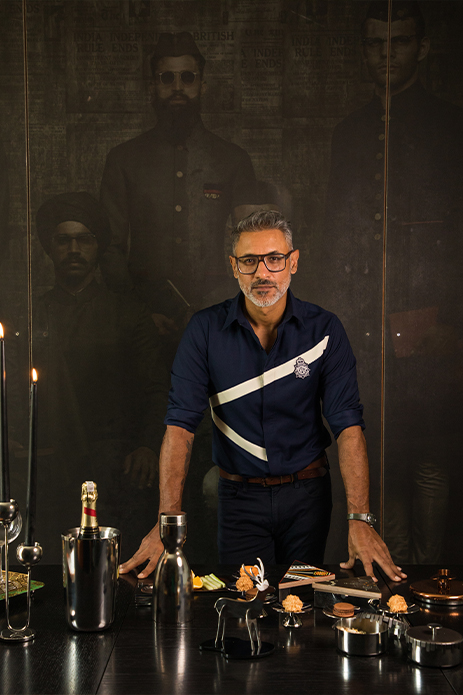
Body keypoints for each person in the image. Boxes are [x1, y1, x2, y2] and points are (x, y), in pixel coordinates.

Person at [120, 210, 406, 582]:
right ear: (233, 266)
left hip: (308, 499)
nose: (262, 273)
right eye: (249, 261)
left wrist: (360, 520)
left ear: (293, 262)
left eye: (274, 259)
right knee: (245, 603)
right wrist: (167, 522)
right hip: (238, 501)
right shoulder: (204, 330)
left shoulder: (325, 330)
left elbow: (348, 426)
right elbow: (180, 427)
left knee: (299, 602)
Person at [323, 1, 463, 563]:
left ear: (422, 48)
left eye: (399, 42)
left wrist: (453, 324)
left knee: (430, 462)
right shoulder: (349, 133)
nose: (386, 55)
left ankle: (431, 577)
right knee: (380, 460)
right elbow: (337, 237)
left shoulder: (450, 127)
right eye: (375, 44)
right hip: (367, 330)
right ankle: (394, 582)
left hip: (433, 328)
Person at [12, 192, 167, 561]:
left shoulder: (129, 314)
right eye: (63, 241)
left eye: (83, 240)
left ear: (98, 247)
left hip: (116, 464)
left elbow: (157, 388)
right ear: (49, 248)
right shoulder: (31, 318)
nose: (74, 250)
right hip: (50, 466)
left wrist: (147, 446)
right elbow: (15, 394)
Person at [100, 31, 259, 337]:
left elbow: (251, 248)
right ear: (152, 85)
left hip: (217, 320)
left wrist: (222, 310)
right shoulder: (124, 159)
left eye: (187, 77)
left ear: (202, 85)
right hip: (144, 323)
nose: (177, 87)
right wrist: (139, 314)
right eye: (166, 78)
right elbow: (110, 249)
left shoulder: (232, 159)